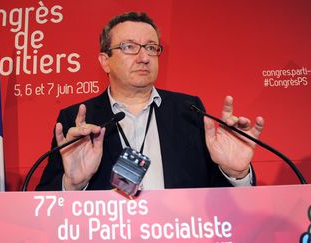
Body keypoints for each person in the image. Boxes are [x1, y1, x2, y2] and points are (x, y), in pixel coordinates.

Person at [36, 12, 264, 191]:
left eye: (151, 48)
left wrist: (236, 174)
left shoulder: (188, 110)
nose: (144, 57)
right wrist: (73, 185)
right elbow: (45, 200)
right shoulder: (77, 120)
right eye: (129, 47)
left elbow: (215, 198)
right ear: (105, 61)